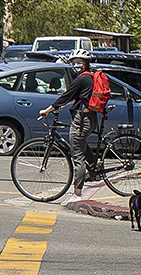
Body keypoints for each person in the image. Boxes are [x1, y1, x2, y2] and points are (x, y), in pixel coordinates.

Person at [38, 50, 99, 199]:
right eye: (74, 62)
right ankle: (94, 170)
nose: (76, 65)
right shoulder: (89, 77)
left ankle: (77, 193)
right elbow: (80, 96)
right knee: (82, 145)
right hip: (90, 118)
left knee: (77, 156)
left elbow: (66, 95)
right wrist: (68, 104)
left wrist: (48, 109)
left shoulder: (81, 79)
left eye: (80, 62)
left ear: (86, 63)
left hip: (81, 119)